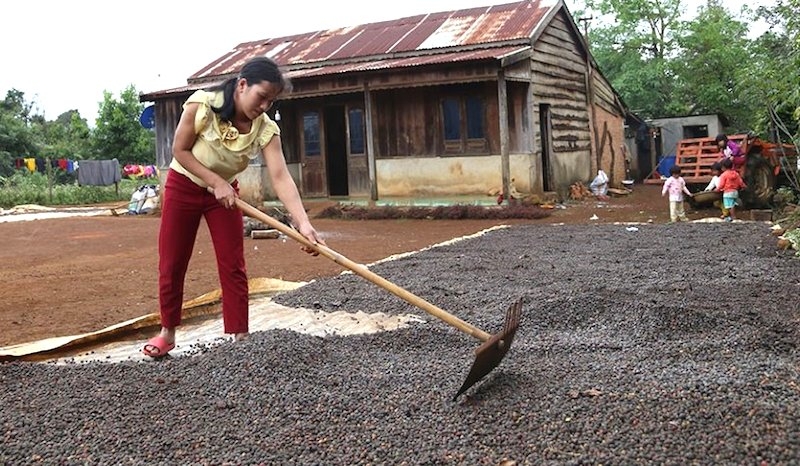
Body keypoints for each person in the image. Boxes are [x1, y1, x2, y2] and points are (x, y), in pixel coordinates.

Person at [142, 57, 324, 358]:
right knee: (173, 262)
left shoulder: (266, 129)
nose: (265, 105)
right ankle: (167, 333)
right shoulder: (203, 105)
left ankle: (240, 338)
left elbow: (280, 176)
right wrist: (216, 181)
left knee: (233, 265)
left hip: (225, 196)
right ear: (242, 85)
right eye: (261, 96)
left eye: (271, 100)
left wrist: (303, 223)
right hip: (184, 185)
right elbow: (179, 150)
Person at [716, 157, 747, 222]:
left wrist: (717, 189)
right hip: (735, 191)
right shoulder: (735, 173)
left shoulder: (724, 175)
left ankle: (733, 217)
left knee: (729, 205)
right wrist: (744, 186)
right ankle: (729, 216)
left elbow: (721, 184)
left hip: (727, 192)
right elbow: (740, 182)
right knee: (732, 203)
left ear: (723, 167)